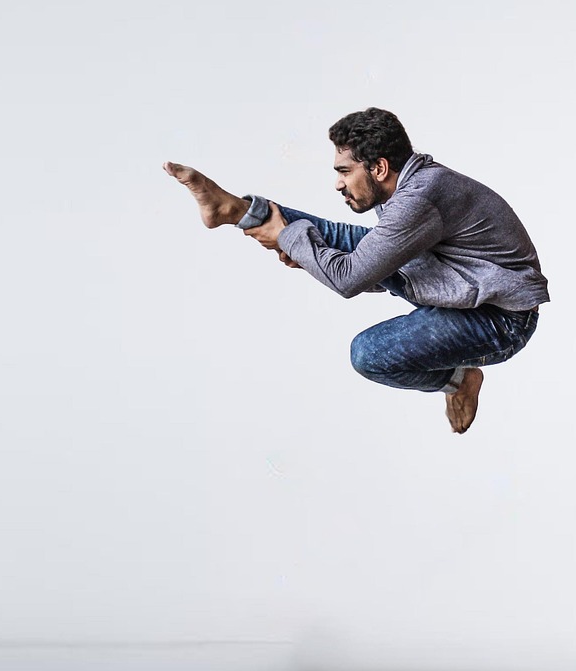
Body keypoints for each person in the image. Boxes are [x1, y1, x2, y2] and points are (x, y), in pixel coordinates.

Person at [163, 107, 549, 433]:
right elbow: (367, 268)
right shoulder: (406, 186)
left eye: (345, 171)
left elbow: (348, 280)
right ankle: (234, 209)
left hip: (499, 320)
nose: (338, 184)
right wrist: (308, 252)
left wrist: (296, 243)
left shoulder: (419, 198)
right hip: (458, 281)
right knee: (341, 241)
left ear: (379, 167)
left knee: (369, 354)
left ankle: (460, 378)